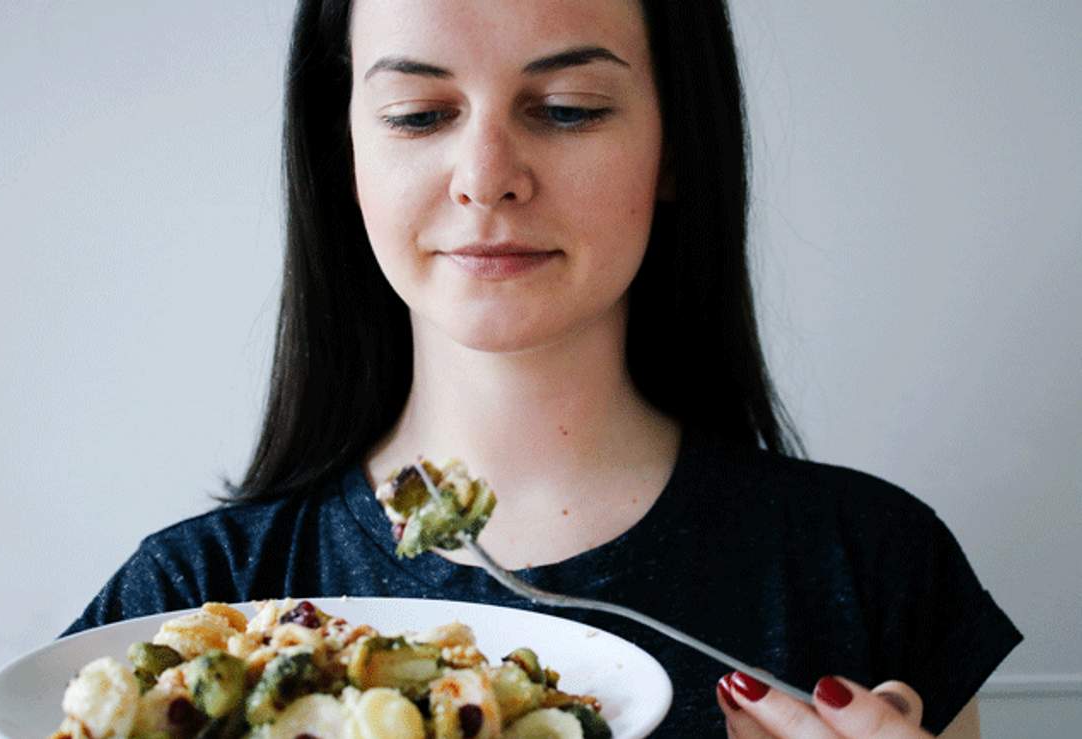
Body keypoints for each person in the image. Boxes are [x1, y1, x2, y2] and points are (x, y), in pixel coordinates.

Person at [63, 1, 1022, 736]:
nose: (487, 174)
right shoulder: (182, 605)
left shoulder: (875, 569)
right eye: (417, 114)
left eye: (566, 109)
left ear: (676, 144)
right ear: (342, 152)